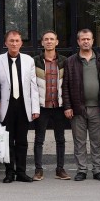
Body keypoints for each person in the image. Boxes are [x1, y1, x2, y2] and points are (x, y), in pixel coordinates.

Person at [62, 28, 100, 181]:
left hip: (97, 108)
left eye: (88, 39)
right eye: (83, 39)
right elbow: (65, 86)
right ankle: (81, 170)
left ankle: (98, 170)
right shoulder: (70, 61)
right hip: (77, 108)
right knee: (79, 141)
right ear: (78, 41)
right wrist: (67, 106)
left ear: (93, 41)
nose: (86, 41)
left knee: (96, 141)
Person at [0, 30, 38, 183]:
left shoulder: (28, 60)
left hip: (23, 107)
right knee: (7, 141)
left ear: (21, 43)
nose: (14, 43)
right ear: (5, 43)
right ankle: (9, 172)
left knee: (22, 142)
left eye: (17, 41)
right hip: (6, 107)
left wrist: (35, 109)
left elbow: (34, 86)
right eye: (11, 41)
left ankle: (22, 172)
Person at [32, 30, 68, 180]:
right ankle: (38, 170)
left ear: (57, 42)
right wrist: (34, 107)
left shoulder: (65, 61)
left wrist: (67, 105)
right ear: (42, 42)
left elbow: (68, 84)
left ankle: (60, 169)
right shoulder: (35, 61)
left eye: (52, 39)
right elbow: (31, 86)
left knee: (60, 139)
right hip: (42, 106)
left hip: (59, 106)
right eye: (46, 39)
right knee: (39, 140)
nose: (49, 41)